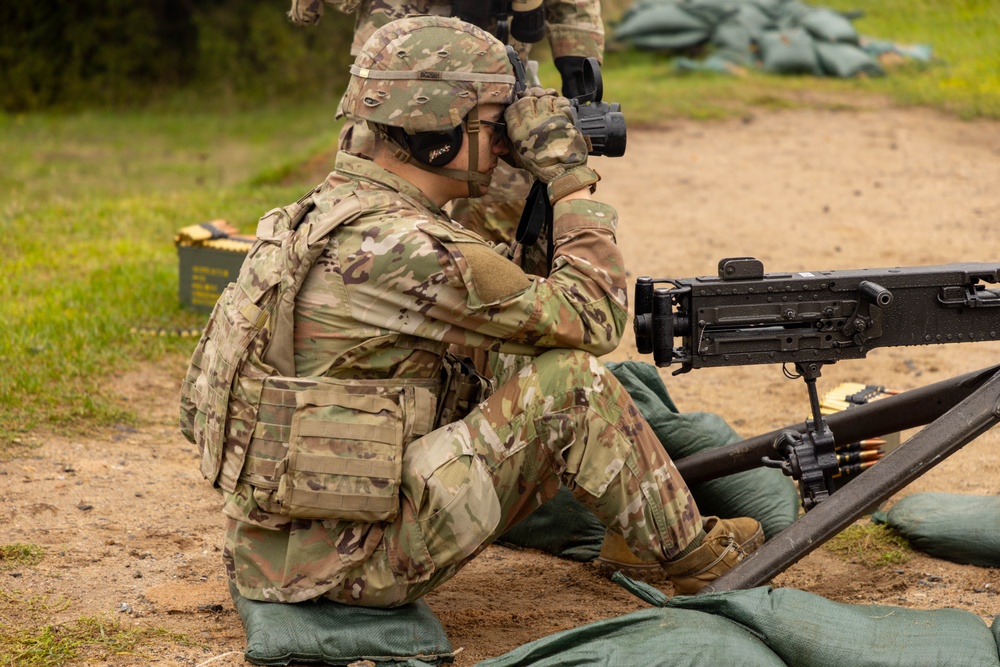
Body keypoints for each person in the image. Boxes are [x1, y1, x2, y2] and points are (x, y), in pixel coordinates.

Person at [180, 16, 762, 607]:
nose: (505, 143)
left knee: (513, 364)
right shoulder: (412, 249)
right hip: (354, 564)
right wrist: (567, 178)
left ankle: (635, 527)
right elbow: (594, 320)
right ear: (437, 134)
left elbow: (518, 317)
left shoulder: (332, 211)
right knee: (574, 387)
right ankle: (699, 560)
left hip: (282, 542)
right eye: (491, 125)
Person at [287, 0, 604, 245]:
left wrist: (577, 66)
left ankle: (489, 301)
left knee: (499, 205)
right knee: (372, 203)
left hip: (492, 72)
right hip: (398, 70)